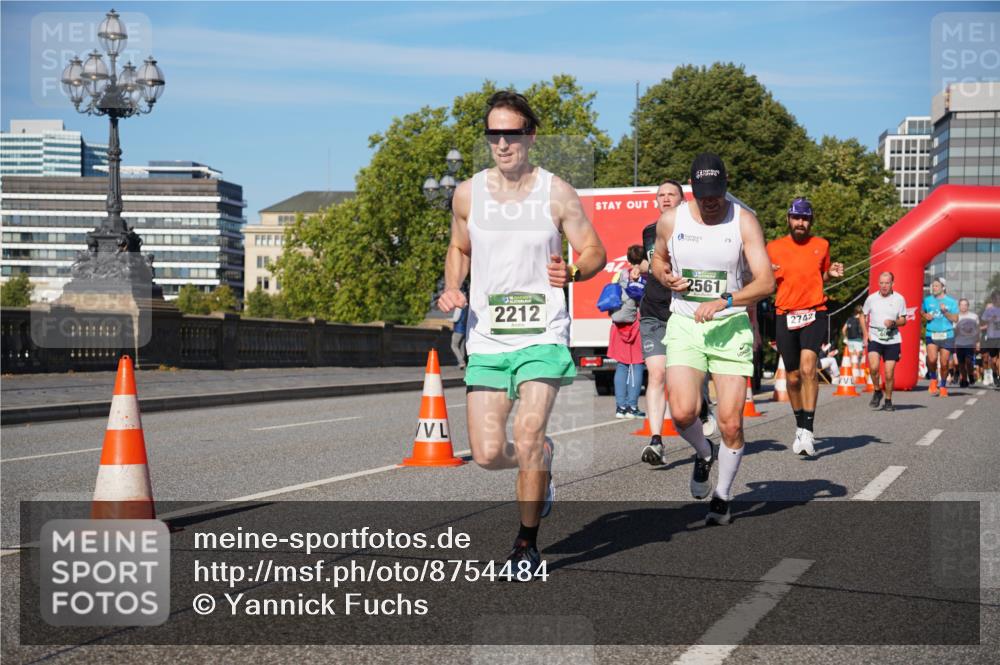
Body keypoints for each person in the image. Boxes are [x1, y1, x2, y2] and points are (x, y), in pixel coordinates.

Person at [437, 91, 606, 575]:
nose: (503, 144)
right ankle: (542, 461)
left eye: (512, 134)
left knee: (528, 433)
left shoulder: (556, 193)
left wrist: (573, 273)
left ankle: (525, 544)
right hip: (488, 337)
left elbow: (594, 249)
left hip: (543, 334)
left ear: (530, 136)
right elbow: (459, 246)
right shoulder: (468, 193)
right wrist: (453, 286)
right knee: (489, 454)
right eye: (494, 134)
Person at [651, 153, 775, 525]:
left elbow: (766, 282)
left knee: (732, 422)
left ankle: (722, 496)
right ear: (692, 188)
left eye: (716, 193)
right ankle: (704, 453)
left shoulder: (744, 222)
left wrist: (727, 300)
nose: (710, 201)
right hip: (686, 325)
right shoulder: (671, 220)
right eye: (703, 194)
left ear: (726, 184)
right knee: (684, 412)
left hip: (729, 325)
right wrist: (666, 277)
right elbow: (657, 260)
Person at [638, 179, 716, 467]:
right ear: (656, 201)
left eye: (672, 194)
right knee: (656, 374)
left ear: (682, 201)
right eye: (661, 195)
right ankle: (656, 441)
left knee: (684, 378)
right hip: (654, 312)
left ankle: (703, 406)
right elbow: (651, 262)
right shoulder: (649, 231)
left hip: (684, 313)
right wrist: (644, 268)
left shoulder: (696, 231)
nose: (666, 198)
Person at [766, 198, 845, 456]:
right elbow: (764, 280)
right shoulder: (773, 247)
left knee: (809, 367)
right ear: (788, 219)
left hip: (814, 311)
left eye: (805, 218)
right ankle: (799, 425)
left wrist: (829, 274)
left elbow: (818, 274)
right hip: (785, 314)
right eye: (796, 217)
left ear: (811, 221)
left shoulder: (821, 245)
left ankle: (809, 432)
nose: (800, 222)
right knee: (792, 376)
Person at [609, 245, 646, 419]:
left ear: (629, 259)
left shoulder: (620, 275)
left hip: (619, 324)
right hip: (636, 324)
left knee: (622, 366)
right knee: (637, 365)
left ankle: (620, 407)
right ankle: (632, 407)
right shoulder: (646, 276)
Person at [863, 271, 908, 412]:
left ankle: (888, 400)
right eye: (881, 283)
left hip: (892, 339)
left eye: (887, 283)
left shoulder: (899, 299)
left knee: (889, 373)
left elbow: (904, 320)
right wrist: (865, 334)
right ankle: (877, 391)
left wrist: (894, 323)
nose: (884, 286)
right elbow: (862, 316)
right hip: (875, 337)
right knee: (874, 367)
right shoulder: (871, 298)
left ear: (892, 284)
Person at [922, 277, 959, 396]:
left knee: (944, 364)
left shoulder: (951, 302)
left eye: (937, 286)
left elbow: (955, 319)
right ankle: (933, 379)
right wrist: (925, 315)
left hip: (947, 334)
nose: (934, 288)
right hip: (931, 333)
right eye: (933, 286)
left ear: (943, 287)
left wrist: (945, 312)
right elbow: (921, 311)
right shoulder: (927, 300)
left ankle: (942, 385)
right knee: (932, 359)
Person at [954, 299, 978, 388]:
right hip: (959, 343)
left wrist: (977, 342)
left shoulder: (973, 316)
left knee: (968, 361)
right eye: (961, 305)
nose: (963, 307)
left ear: (968, 306)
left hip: (970, 343)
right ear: (959, 306)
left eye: (965, 305)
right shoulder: (956, 317)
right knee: (961, 363)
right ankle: (964, 380)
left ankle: (971, 374)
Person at [981, 292, 1000, 388]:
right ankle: (994, 373)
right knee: (993, 360)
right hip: (992, 338)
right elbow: (982, 322)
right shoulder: (989, 311)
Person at [451, 303, 469, 370]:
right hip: (465, 329)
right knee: (462, 346)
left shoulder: (459, 307)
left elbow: (455, 319)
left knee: (454, 345)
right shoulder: (467, 307)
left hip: (458, 329)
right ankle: (463, 362)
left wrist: (449, 319)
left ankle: (461, 362)